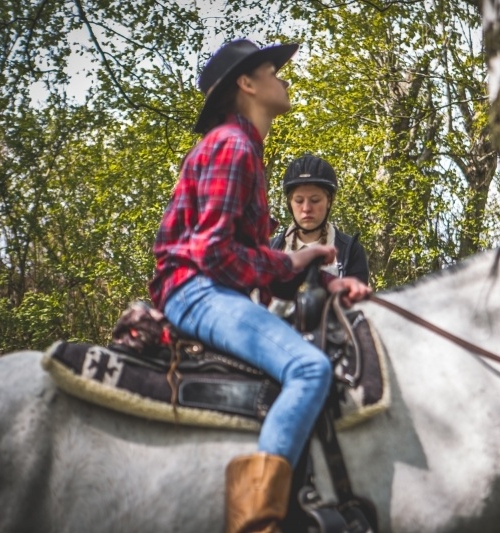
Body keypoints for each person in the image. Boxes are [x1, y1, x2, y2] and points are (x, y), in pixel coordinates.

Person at [147, 39, 371, 533]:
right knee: (309, 369)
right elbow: (214, 253)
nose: (283, 78)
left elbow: (245, 260)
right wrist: (290, 261)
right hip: (196, 290)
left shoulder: (243, 147)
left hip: (207, 288)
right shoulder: (233, 145)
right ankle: (255, 523)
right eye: (273, 70)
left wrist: (315, 276)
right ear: (247, 84)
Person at [268, 154, 369, 318]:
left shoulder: (351, 250)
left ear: (329, 201)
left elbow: (355, 309)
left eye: (315, 200)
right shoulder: (271, 248)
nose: (306, 208)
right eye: (299, 200)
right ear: (289, 203)